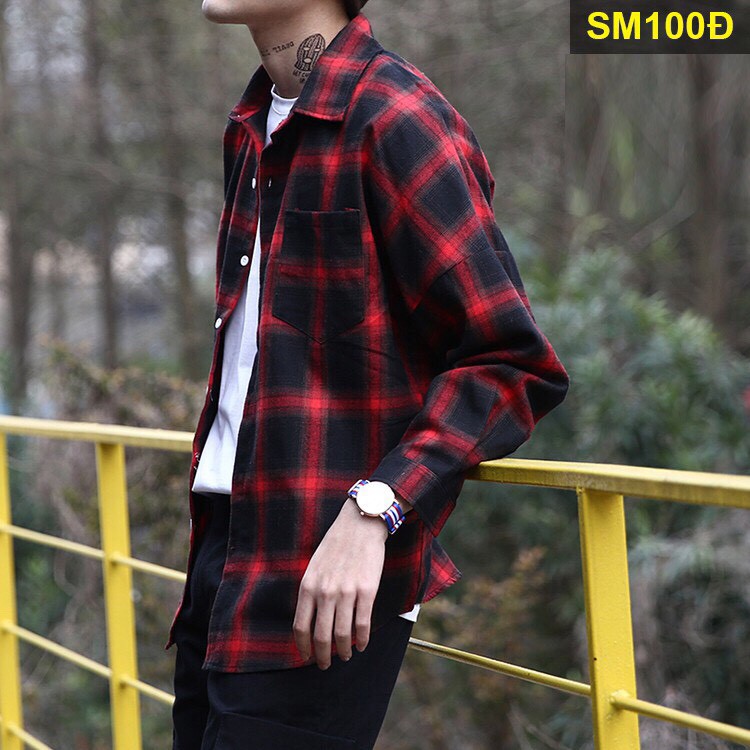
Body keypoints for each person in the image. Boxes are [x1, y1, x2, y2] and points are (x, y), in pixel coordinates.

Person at [165, 0, 571, 747]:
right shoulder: (253, 125)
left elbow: (510, 360)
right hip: (222, 555)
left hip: (328, 581)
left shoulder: (396, 117)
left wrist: (378, 506)